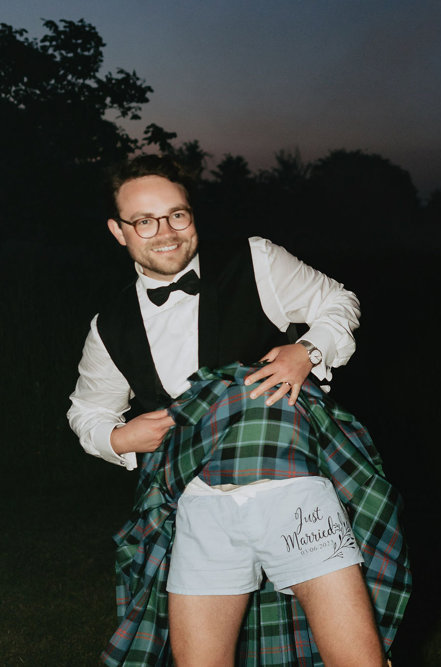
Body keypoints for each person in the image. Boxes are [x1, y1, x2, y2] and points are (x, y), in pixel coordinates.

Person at [68, 155, 408, 666]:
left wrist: (306, 351)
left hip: (292, 492)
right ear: (119, 231)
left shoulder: (255, 259)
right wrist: (119, 438)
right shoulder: (109, 325)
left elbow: (338, 302)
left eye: (176, 215)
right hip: (199, 507)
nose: (166, 232)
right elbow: (88, 411)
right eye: (144, 221)